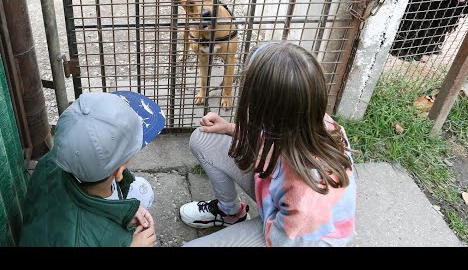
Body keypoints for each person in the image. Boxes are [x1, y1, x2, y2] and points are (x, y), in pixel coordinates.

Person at [180, 41, 357, 247]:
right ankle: (229, 213)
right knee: (203, 139)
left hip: (294, 237)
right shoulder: (306, 117)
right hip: (279, 194)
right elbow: (266, 136)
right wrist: (229, 128)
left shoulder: (306, 191)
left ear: (266, 107)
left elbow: (281, 241)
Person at [19, 90, 166, 247]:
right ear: (118, 172)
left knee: (143, 190)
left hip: (53, 224)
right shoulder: (82, 241)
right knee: (145, 192)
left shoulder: (51, 161)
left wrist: (123, 210)